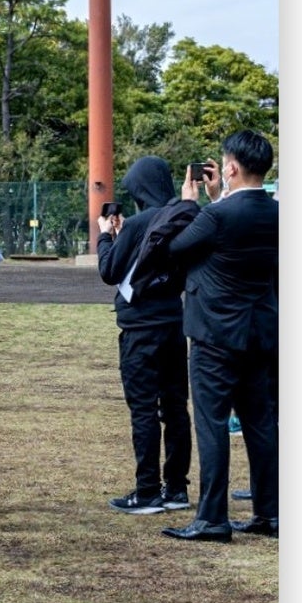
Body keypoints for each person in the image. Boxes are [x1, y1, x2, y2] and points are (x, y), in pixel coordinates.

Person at [148, 132, 278, 543]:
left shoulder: (217, 216)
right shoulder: (278, 213)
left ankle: (212, 517)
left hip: (214, 335)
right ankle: (270, 512)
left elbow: (175, 248)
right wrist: (218, 196)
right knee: (261, 424)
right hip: (260, 331)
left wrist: (190, 203)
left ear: (232, 167)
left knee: (212, 423)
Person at [92, 154, 198, 515]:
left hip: (140, 328)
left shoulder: (138, 223)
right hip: (173, 321)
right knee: (175, 408)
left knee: (143, 409)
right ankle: (177, 488)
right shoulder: (182, 218)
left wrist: (106, 236)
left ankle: (147, 490)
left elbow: (109, 271)